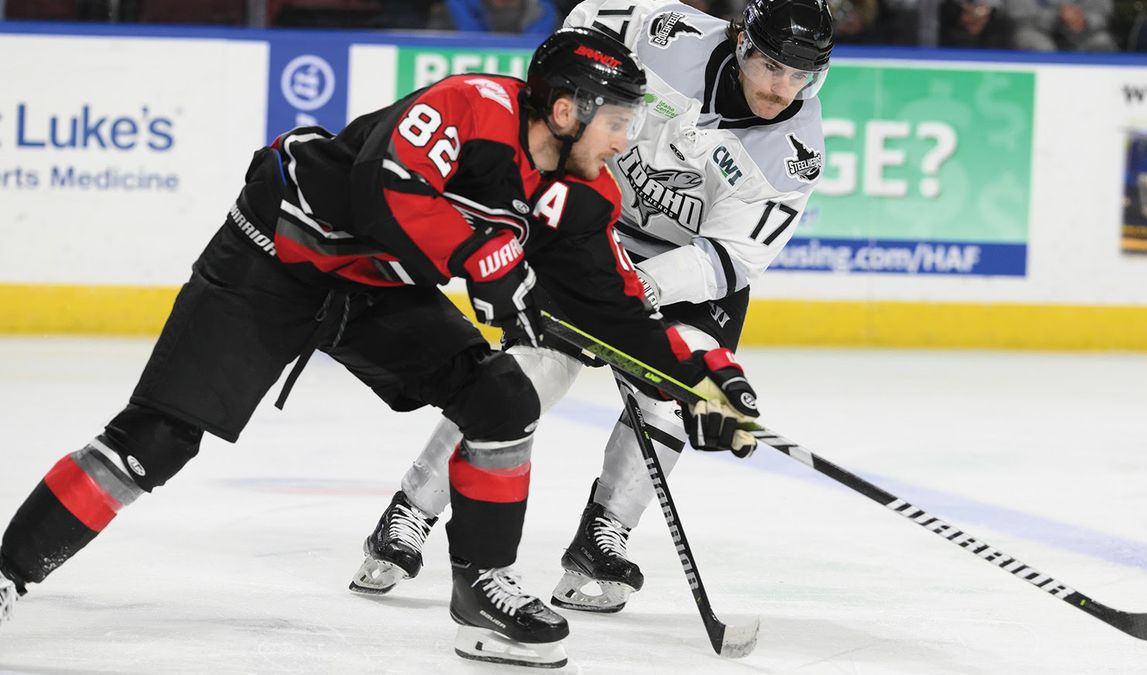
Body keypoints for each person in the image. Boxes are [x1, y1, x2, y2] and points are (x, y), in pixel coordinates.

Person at [0, 27, 761, 668]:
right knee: (155, 441)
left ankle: (483, 590)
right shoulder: (471, 107)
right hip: (273, 258)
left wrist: (704, 379)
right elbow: (383, 188)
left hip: (376, 290)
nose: (626, 140)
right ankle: (7, 571)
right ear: (566, 110)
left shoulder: (584, 196)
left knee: (501, 397)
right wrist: (483, 255)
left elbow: (618, 311)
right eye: (618, 121)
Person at [347, 0, 829, 617]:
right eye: (769, 66)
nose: (780, 89)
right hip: (585, 221)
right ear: (740, 42)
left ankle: (601, 541)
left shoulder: (794, 150)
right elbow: (577, 34)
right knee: (530, 374)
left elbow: (729, 259)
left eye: (801, 77)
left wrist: (637, 288)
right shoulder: (664, 31)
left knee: (674, 395)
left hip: (686, 267)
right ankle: (411, 509)